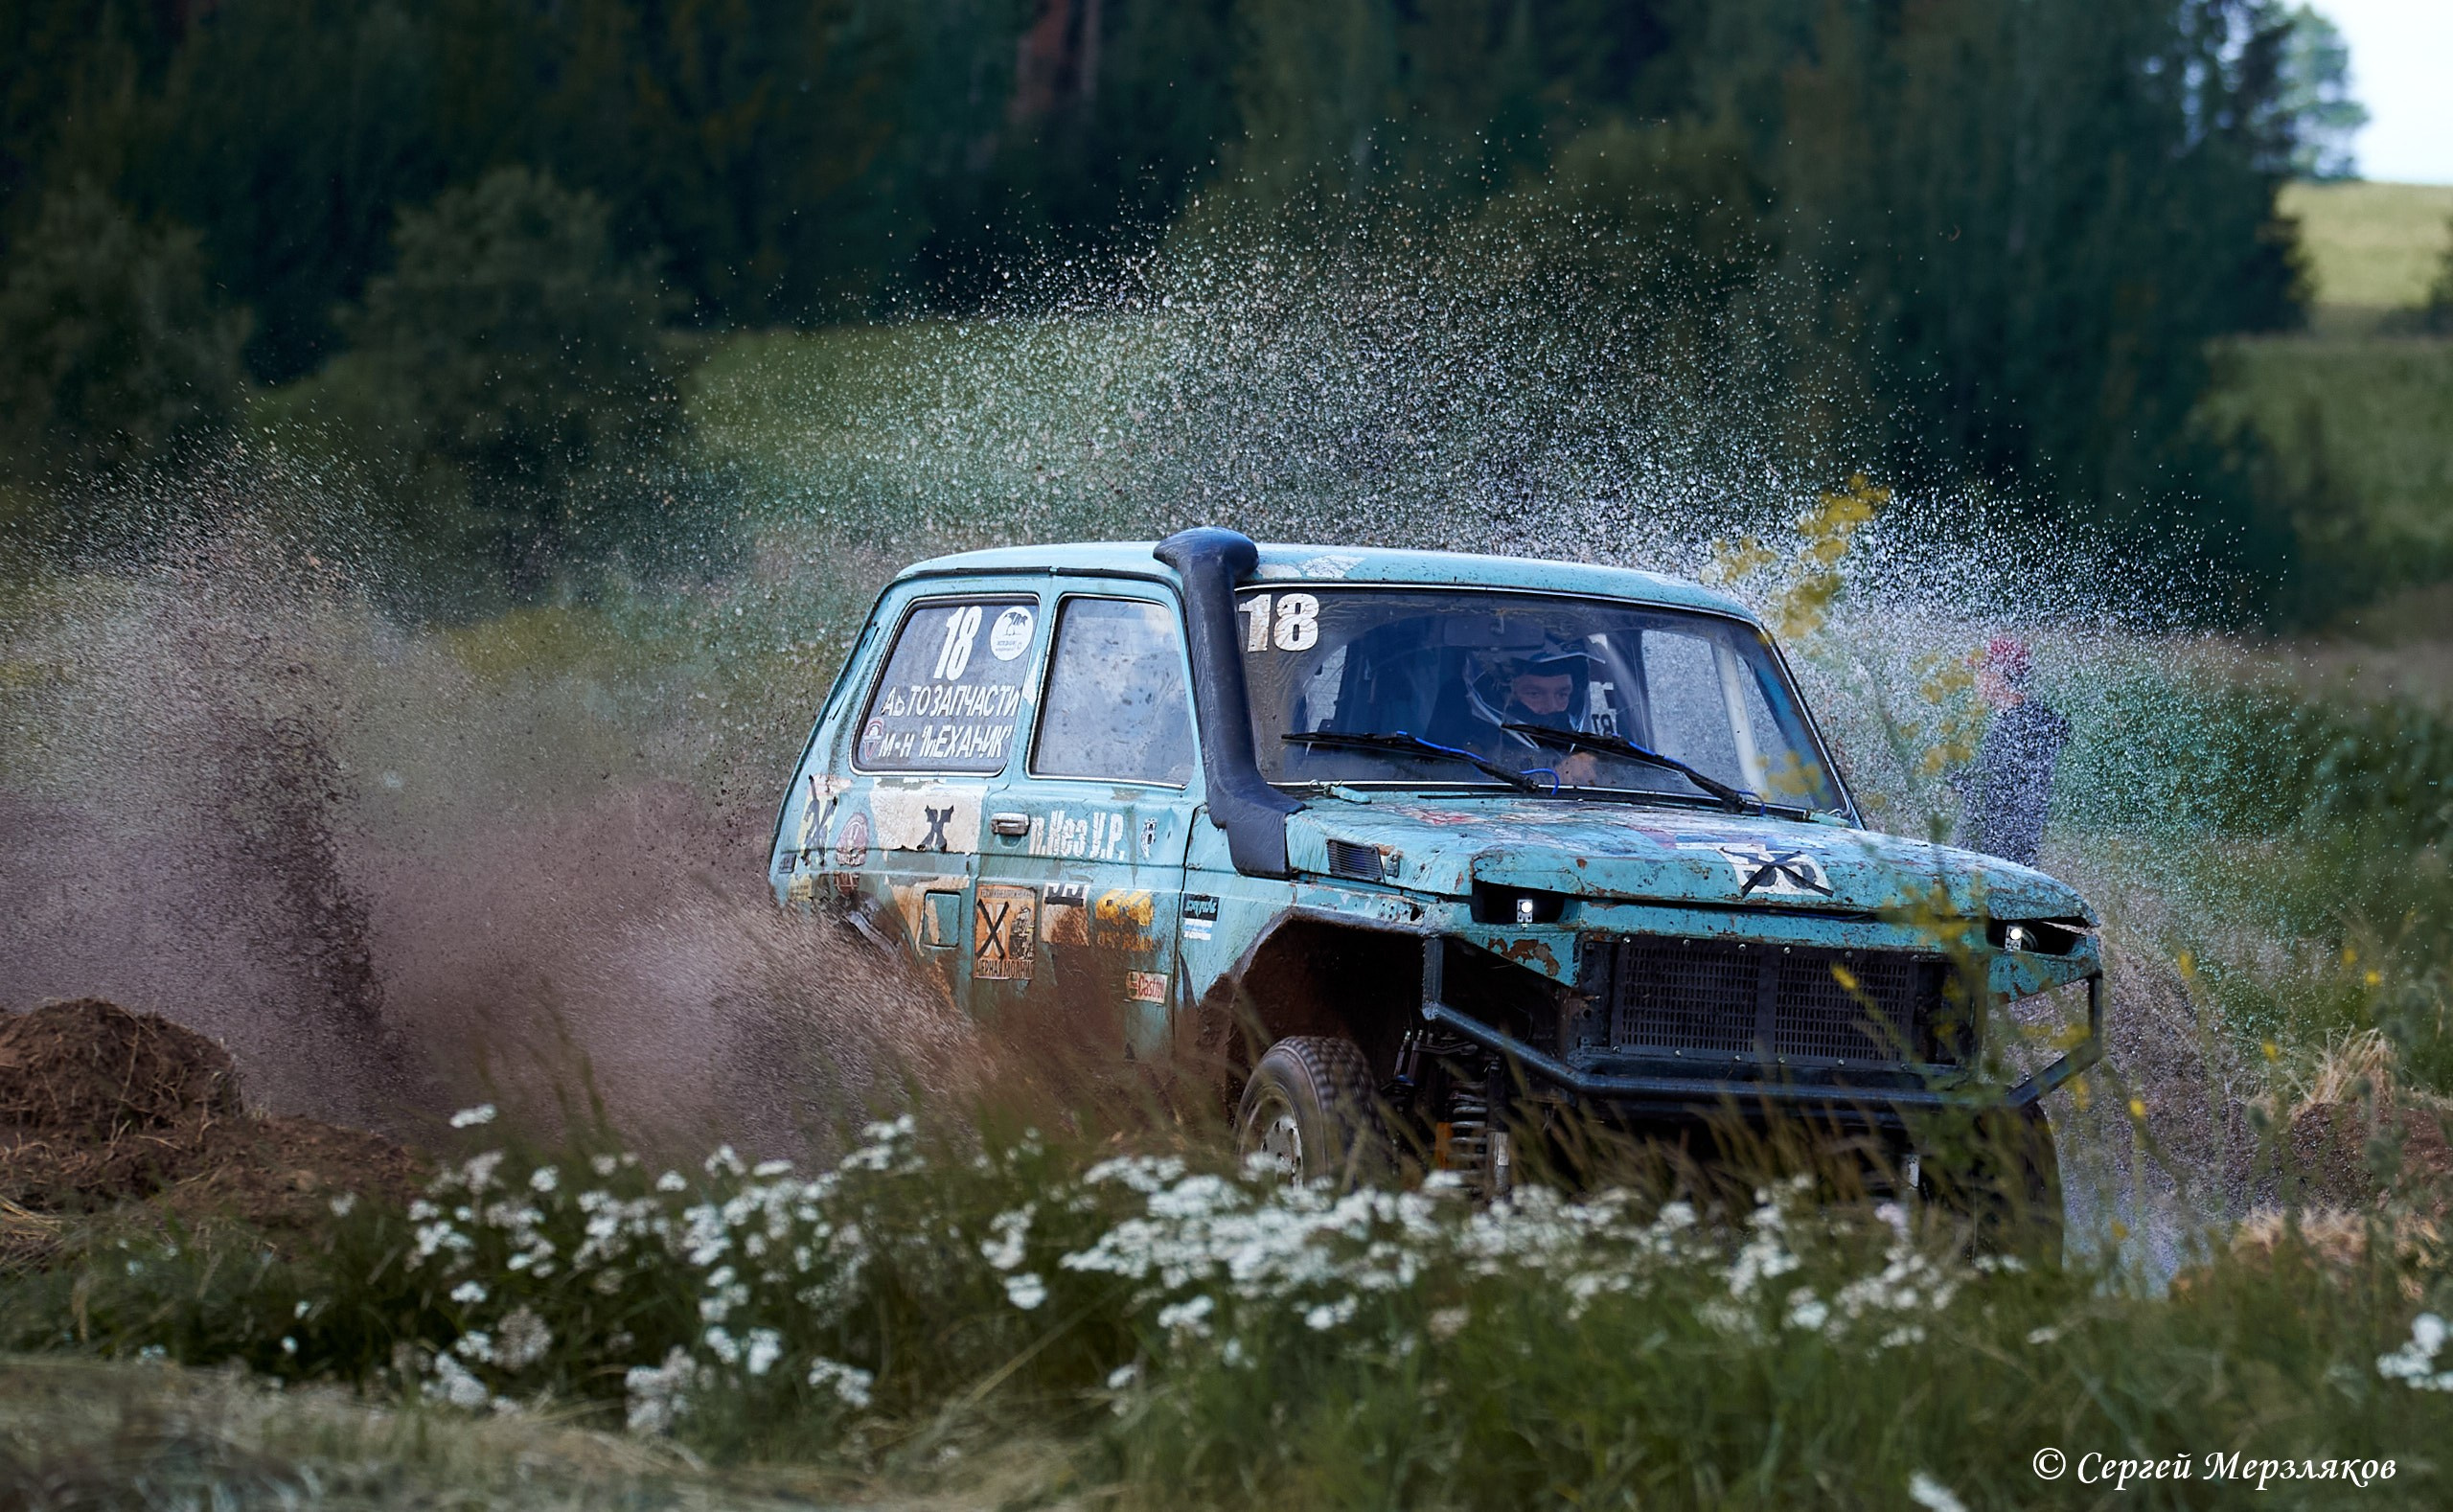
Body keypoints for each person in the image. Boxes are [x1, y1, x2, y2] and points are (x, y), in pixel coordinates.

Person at [1953, 636, 2069, 868]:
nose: (1976, 681)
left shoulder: (2017, 726)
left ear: (1998, 675)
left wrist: (1956, 777)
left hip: (1996, 854)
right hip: (2013, 850)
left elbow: (1995, 790)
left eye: (1981, 672)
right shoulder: (2032, 722)